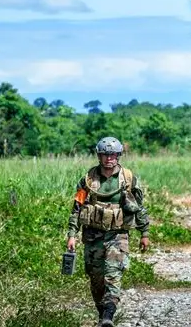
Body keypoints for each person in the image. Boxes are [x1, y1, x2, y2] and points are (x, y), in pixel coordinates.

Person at [66, 136, 151, 327]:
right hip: (93, 236)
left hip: (118, 236)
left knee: (113, 275)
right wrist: (71, 235)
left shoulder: (128, 179)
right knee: (96, 280)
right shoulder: (88, 180)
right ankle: (102, 315)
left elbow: (140, 207)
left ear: (118, 155)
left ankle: (108, 316)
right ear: (99, 155)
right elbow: (77, 208)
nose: (108, 159)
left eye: (112, 155)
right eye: (105, 155)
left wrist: (144, 233)